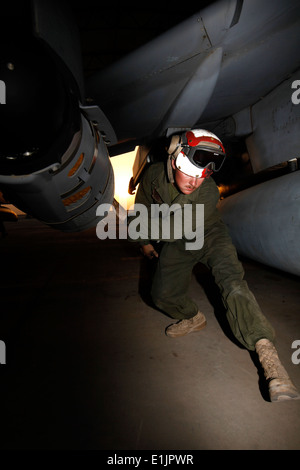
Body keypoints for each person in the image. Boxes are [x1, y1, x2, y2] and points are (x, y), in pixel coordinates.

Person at [130, 128, 299, 403]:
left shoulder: (207, 190)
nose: (195, 182)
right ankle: (193, 316)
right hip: (180, 241)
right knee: (161, 295)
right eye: (189, 172)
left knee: (233, 283)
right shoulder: (152, 177)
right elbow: (142, 208)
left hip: (208, 234)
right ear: (174, 159)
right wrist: (146, 244)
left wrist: (138, 228)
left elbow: (173, 227)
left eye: (202, 175)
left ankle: (269, 358)